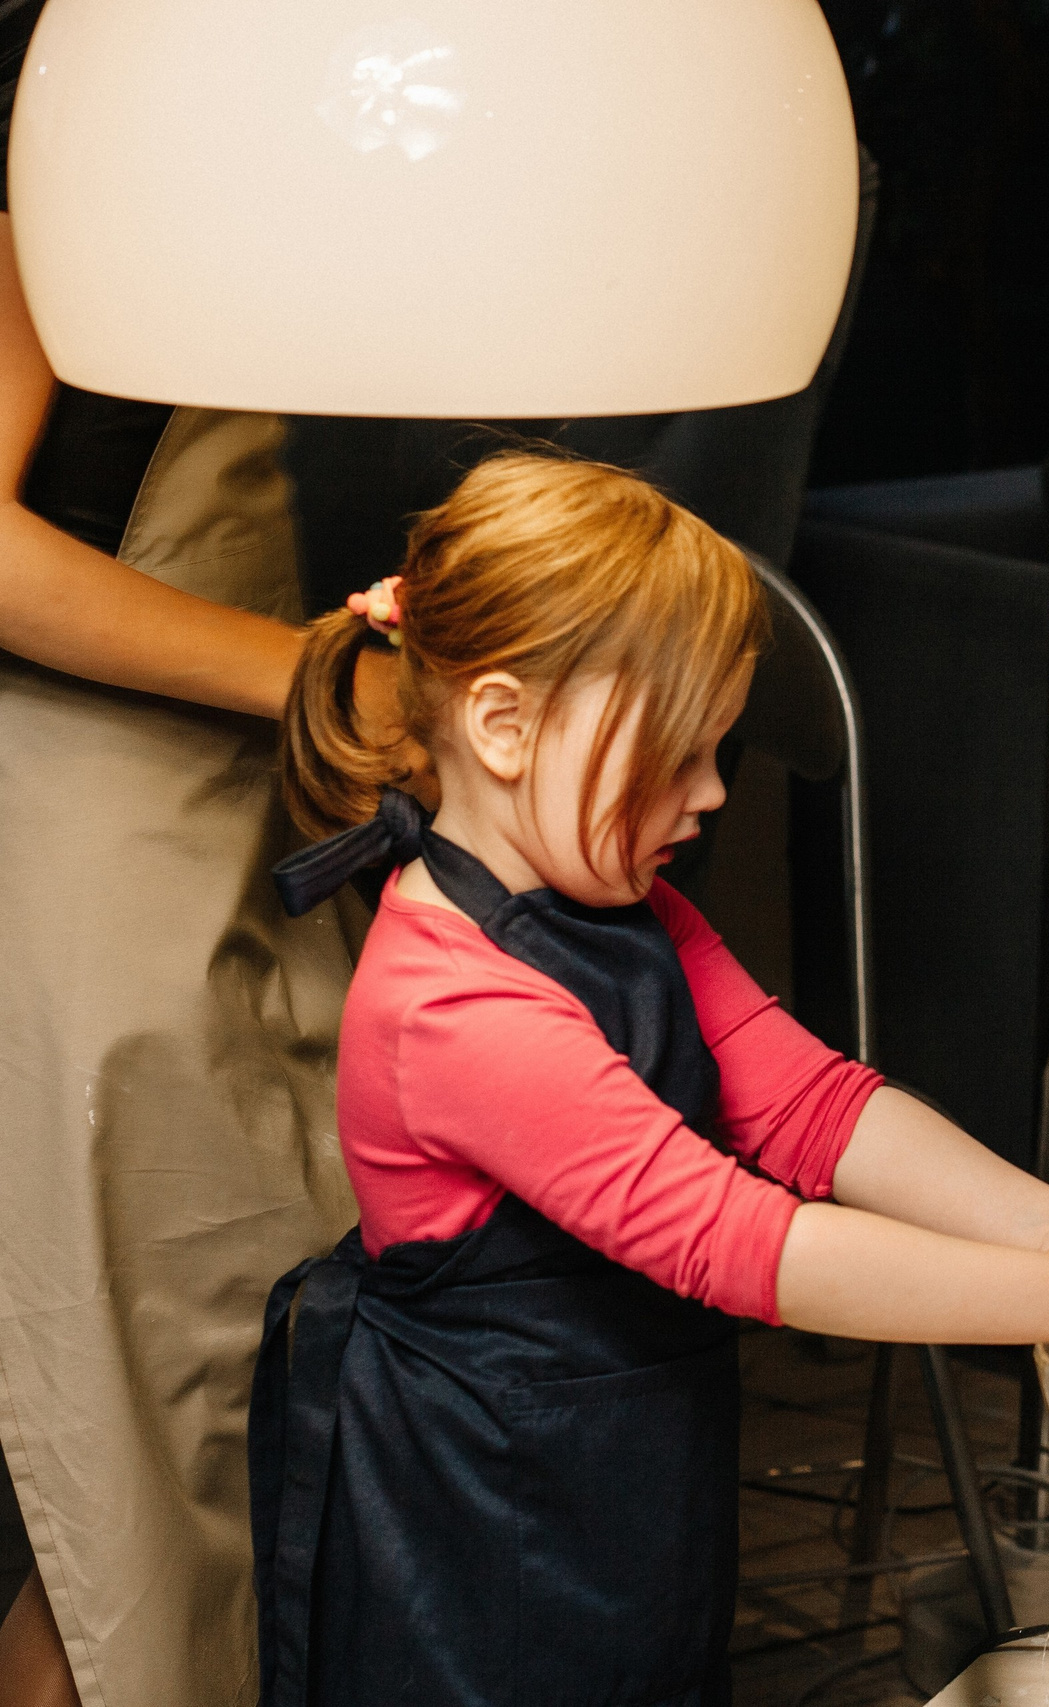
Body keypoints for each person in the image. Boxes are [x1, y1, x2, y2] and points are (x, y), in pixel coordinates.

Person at [252, 453, 1049, 1706]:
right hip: (478, 1515)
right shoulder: (448, 1004)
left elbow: (808, 1105)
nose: (710, 794)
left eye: (720, 750)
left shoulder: (622, 907)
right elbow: (736, 1240)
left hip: (623, 1479)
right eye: (677, 753)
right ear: (502, 725)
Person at [0, 5, 420, 1702]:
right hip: (75, 792)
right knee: (117, 1408)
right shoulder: (74, 91)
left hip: (213, 769)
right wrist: (318, 678)